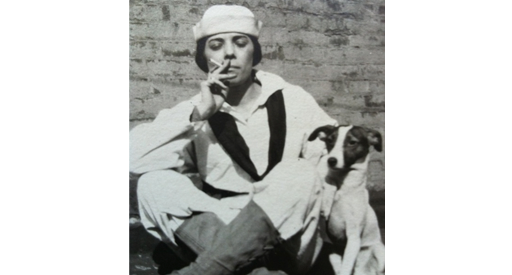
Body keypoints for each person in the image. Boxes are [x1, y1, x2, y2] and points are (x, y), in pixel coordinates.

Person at [129, 5, 338, 275]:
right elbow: (132, 158)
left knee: (297, 172)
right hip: (221, 225)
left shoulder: (292, 97)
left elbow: (332, 161)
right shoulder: (197, 109)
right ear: (204, 57)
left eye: (240, 43)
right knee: (153, 183)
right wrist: (198, 114)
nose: (229, 53)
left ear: (254, 51)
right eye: (216, 45)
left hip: (290, 233)